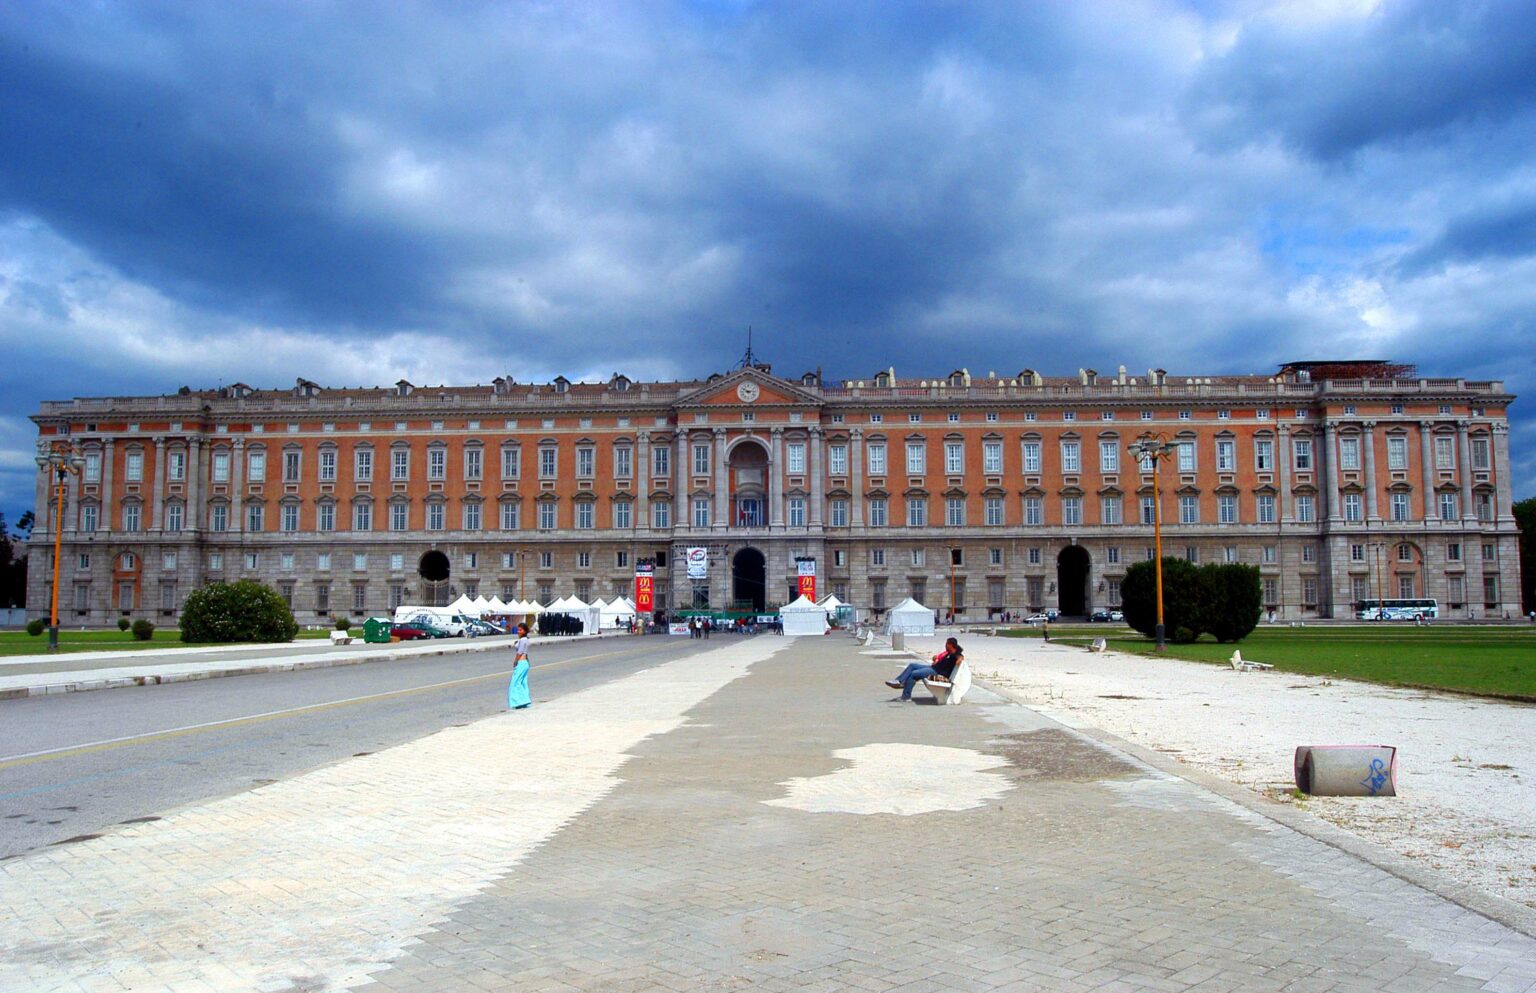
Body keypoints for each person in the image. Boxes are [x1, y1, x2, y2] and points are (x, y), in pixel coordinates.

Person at [884, 638, 963, 702]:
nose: (945, 645)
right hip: (933, 668)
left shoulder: (955, 654)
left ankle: (906, 696)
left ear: (951, 645)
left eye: (946, 644)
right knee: (912, 666)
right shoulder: (948, 653)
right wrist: (936, 659)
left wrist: (960, 660)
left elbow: (960, 657)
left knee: (914, 674)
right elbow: (937, 658)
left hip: (936, 672)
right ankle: (899, 681)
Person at [507, 623, 532, 710]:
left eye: (521, 630)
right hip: (525, 663)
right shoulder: (525, 639)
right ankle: (524, 700)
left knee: (515, 683)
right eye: (518, 630)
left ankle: (518, 701)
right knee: (522, 682)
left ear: (525, 631)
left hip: (521, 662)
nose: (518, 631)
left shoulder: (523, 640)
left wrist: (515, 661)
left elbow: (520, 652)